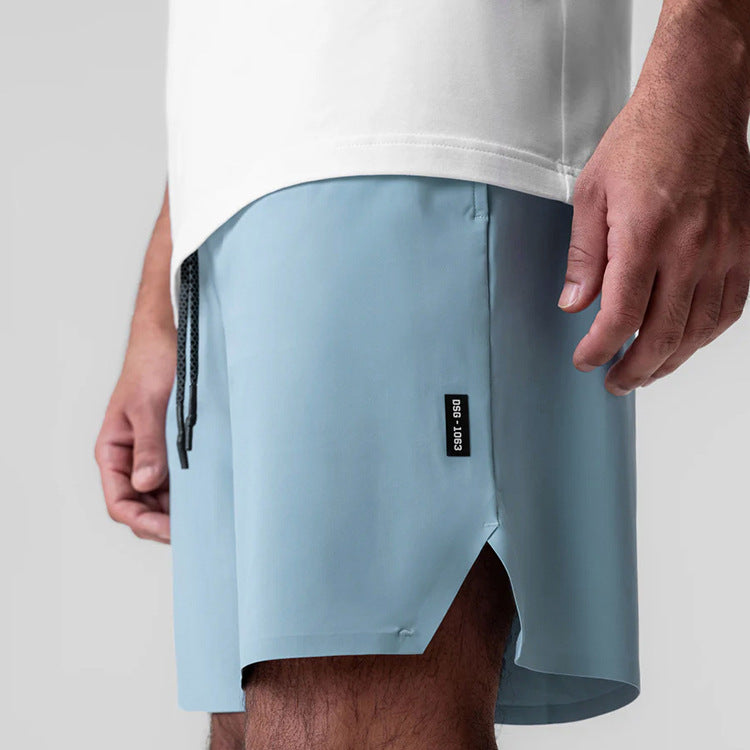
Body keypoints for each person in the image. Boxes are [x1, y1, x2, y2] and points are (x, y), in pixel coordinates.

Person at [95, 1, 750, 748]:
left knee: (336, 721)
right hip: (227, 202)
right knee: (254, 728)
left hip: (426, 118)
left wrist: (705, 70)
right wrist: (164, 295)